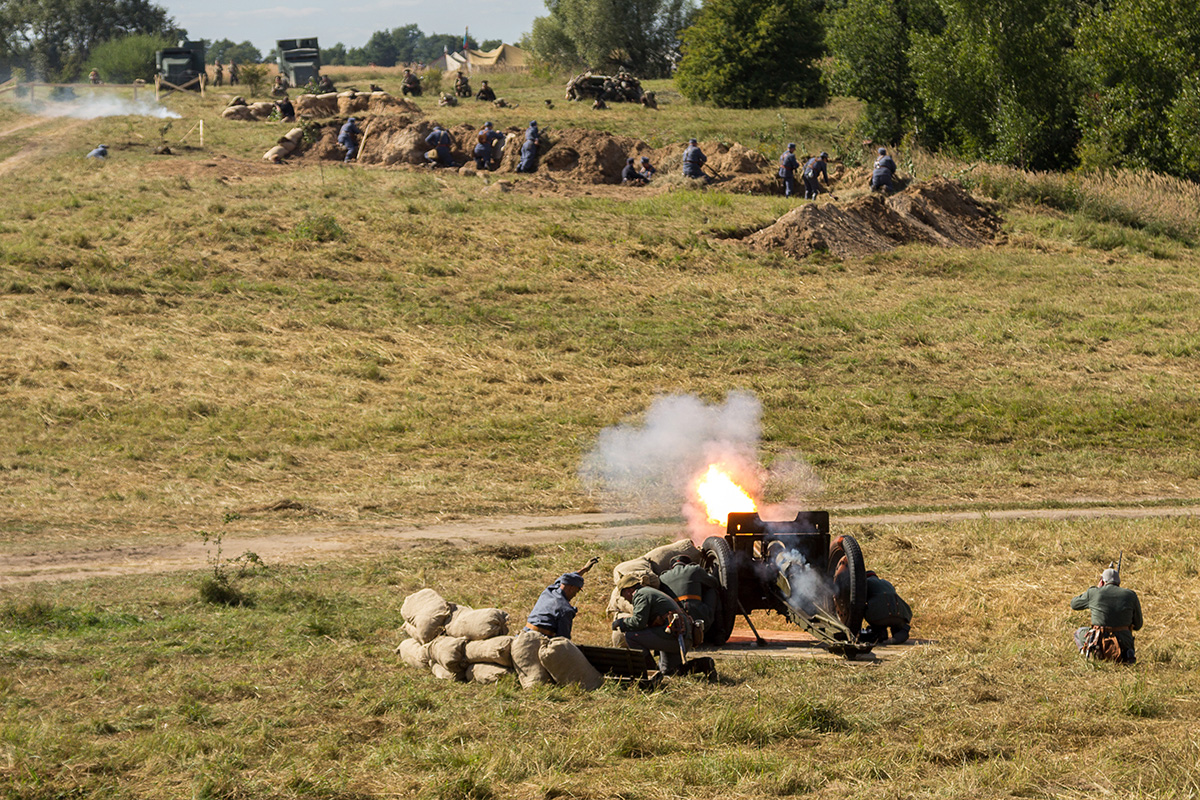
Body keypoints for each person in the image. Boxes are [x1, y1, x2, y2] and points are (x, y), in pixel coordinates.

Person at [613, 575, 716, 679]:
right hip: (681, 636)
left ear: (628, 590)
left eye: (623, 596)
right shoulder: (649, 591)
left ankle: (651, 673)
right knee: (669, 671)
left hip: (674, 636)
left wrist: (621, 622)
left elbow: (638, 622)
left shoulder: (641, 595)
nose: (625, 600)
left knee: (631, 636)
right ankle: (704, 664)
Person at [1072, 567, 1143, 663]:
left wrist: (1097, 589)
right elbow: (1138, 625)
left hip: (1100, 643)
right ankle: (1127, 655)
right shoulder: (1131, 595)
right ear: (1119, 582)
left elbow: (1074, 604)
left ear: (1102, 581)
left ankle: (1090, 656)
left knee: (1079, 632)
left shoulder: (1094, 593)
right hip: (1124, 644)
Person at [525, 557, 600, 639]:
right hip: (538, 641)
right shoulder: (565, 609)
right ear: (571, 588)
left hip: (524, 635)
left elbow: (564, 579)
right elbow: (563, 638)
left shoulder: (549, 590)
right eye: (576, 591)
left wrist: (584, 569)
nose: (575, 595)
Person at [657, 555, 721, 638]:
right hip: (700, 618)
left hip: (676, 622)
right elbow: (714, 583)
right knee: (713, 591)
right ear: (688, 564)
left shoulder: (662, 577)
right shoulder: (695, 569)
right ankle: (720, 633)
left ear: (671, 567)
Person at [860, 571, 912, 645]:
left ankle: (879, 632)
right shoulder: (886, 582)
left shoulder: (866, 583)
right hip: (899, 614)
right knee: (897, 626)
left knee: (869, 610)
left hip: (879, 618)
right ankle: (901, 631)